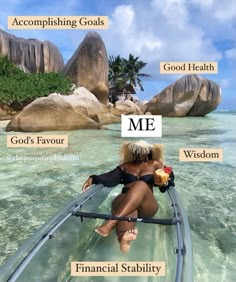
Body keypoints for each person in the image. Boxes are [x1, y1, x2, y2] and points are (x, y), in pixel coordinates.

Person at [82, 140, 174, 253]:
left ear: (148, 152)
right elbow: (110, 178)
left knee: (141, 184)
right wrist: (93, 178)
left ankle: (110, 223)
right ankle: (123, 239)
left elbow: (167, 177)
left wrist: (165, 183)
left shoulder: (155, 164)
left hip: (146, 205)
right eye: (136, 151)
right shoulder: (126, 166)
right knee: (129, 205)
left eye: (142, 151)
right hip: (125, 200)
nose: (139, 154)